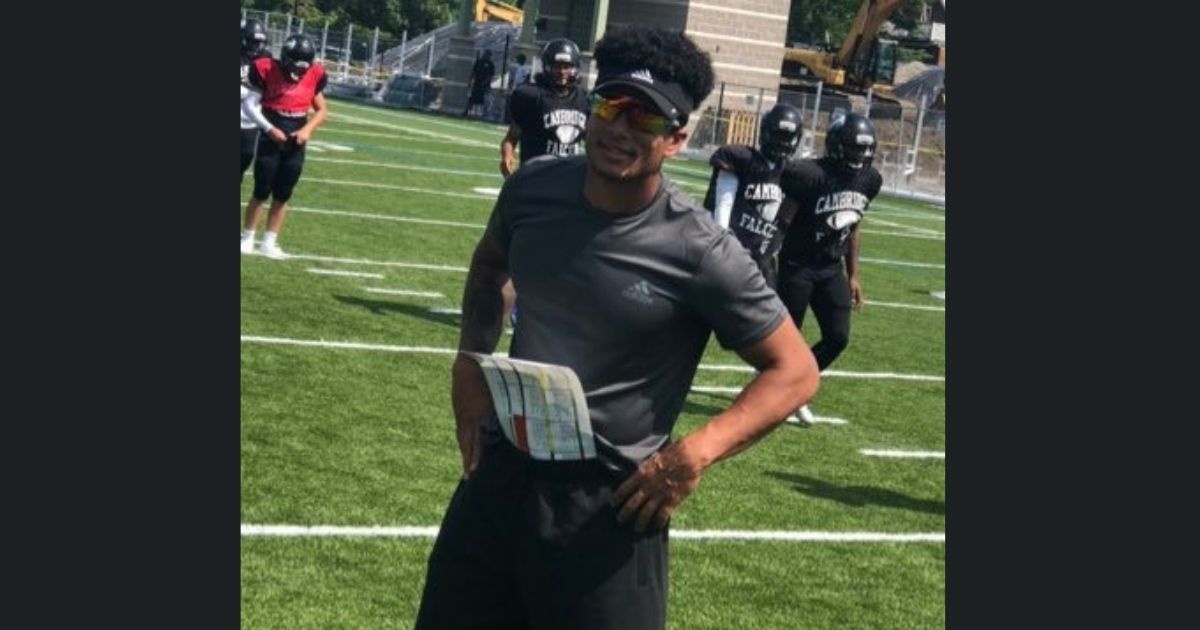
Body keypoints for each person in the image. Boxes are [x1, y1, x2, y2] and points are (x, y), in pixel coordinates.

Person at [415, 25, 820, 630]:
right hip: (499, 473)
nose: (620, 129)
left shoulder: (700, 248)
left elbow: (795, 370)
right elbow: (491, 264)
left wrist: (694, 454)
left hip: (609, 503)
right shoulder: (532, 189)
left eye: (646, 118)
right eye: (611, 106)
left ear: (676, 139)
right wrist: (469, 364)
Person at [777, 112, 883, 425]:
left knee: (837, 337)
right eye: (854, 148)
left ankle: (795, 387)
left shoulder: (869, 180)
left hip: (830, 267)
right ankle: (778, 388)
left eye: (865, 150)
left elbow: (853, 227)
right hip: (797, 266)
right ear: (836, 145)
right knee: (786, 340)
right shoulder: (808, 174)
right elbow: (782, 220)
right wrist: (764, 256)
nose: (860, 156)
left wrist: (854, 275)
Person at [240, 34, 328, 259]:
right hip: (272, 131)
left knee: (283, 193)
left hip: (296, 136)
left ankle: (270, 241)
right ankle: (247, 237)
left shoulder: (315, 74)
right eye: (296, 65)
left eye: (304, 67)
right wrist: (269, 129)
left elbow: (322, 110)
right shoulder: (267, 69)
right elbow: (249, 105)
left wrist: (307, 130)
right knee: (261, 189)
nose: (299, 71)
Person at [702, 103, 805, 289]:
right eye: (780, 135)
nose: (783, 142)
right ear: (766, 132)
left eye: (788, 137)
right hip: (730, 249)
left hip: (762, 258)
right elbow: (723, 205)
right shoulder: (741, 158)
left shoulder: (792, 173)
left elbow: (783, 223)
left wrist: (769, 250)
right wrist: (722, 246)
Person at [499, 39, 589, 177]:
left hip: (569, 178)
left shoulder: (582, 98)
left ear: (575, 67)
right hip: (536, 176)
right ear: (546, 66)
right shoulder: (532, 96)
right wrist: (507, 155)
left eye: (566, 66)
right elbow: (511, 138)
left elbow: (591, 141)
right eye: (557, 66)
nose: (562, 71)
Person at [240, 19, 270, 182]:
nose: (257, 46)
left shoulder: (267, 58)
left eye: (260, 42)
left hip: (250, 120)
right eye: (253, 41)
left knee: (246, 156)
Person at [463, 50, 496, 119]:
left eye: (488, 55)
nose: (485, 56)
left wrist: (485, 82)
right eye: (485, 54)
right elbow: (473, 72)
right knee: (472, 98)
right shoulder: (478, 62)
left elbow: (491, 76)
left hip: (485, 86)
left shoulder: (491, 64)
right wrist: (470, 81)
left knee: (485, 100)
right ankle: (466, 111)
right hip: (477, 83)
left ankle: (485, 114)